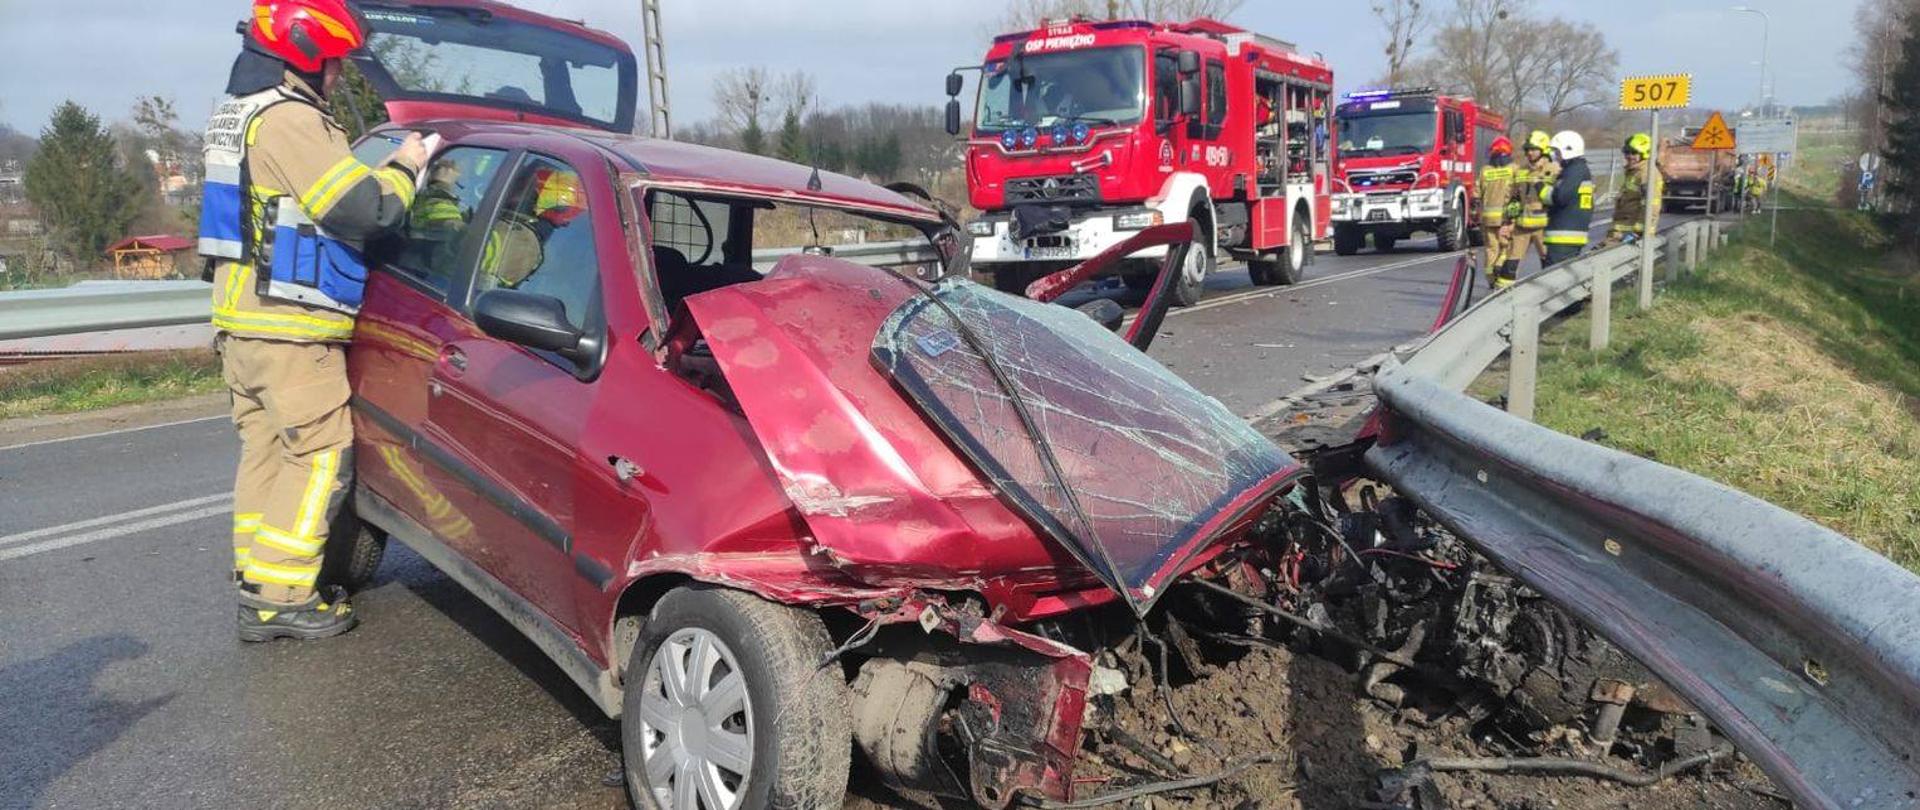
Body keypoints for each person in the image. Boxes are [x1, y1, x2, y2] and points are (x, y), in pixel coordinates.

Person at [197, 0, 428, 642]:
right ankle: (280, 599)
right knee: (320, 455)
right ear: (302, 54)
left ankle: (256, 575)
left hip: (241, 322)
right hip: (290, 327)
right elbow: (363, 211)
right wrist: (408, 166)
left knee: (268, 450)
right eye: (332, 63)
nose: (337, 75)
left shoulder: (237, 113)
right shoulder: (291, 119)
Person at [1504, 130, 1558, 281]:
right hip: (1522, 227)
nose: (1529, 153)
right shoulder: (1521, 171)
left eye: (1533, 149)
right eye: (1527, 149)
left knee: (1550, 266)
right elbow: (1514, 198)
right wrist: (1509, 222)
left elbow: (1558, 198)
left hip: (1544, 227)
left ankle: (1551, 292)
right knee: (1510, 265)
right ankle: (1504, 292)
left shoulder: (1554, 170)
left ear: (1543, 150)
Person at [1540, 130, 1596, 266]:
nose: (1555, 155)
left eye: (1557, 152)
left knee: (1555, 276)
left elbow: (1560, 197)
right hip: (1567, 236)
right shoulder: (1577, 170)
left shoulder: (1574, 171)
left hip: (1563, 237)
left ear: (1568, 150)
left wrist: (1540, 187)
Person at [1601, 132, 1661, 247]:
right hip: (1619, 235)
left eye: (1634, 153)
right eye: (1627, 152)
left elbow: (1651, 207)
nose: (1629, 156)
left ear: (1645, 154)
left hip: (1631, 238)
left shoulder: (1647, 174)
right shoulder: (1633, 173)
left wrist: (1637, 233)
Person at [1476, 136, 1517, 287]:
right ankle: (1500, 265)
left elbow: (1476, 193)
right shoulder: (1514, 169)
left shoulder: (1485, 170)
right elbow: (1519, 193)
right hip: (1505, 218)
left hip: (1488, 218)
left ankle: (1491, 279)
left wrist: (1475, 213)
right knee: (1508, 246)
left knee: (1490, 249)